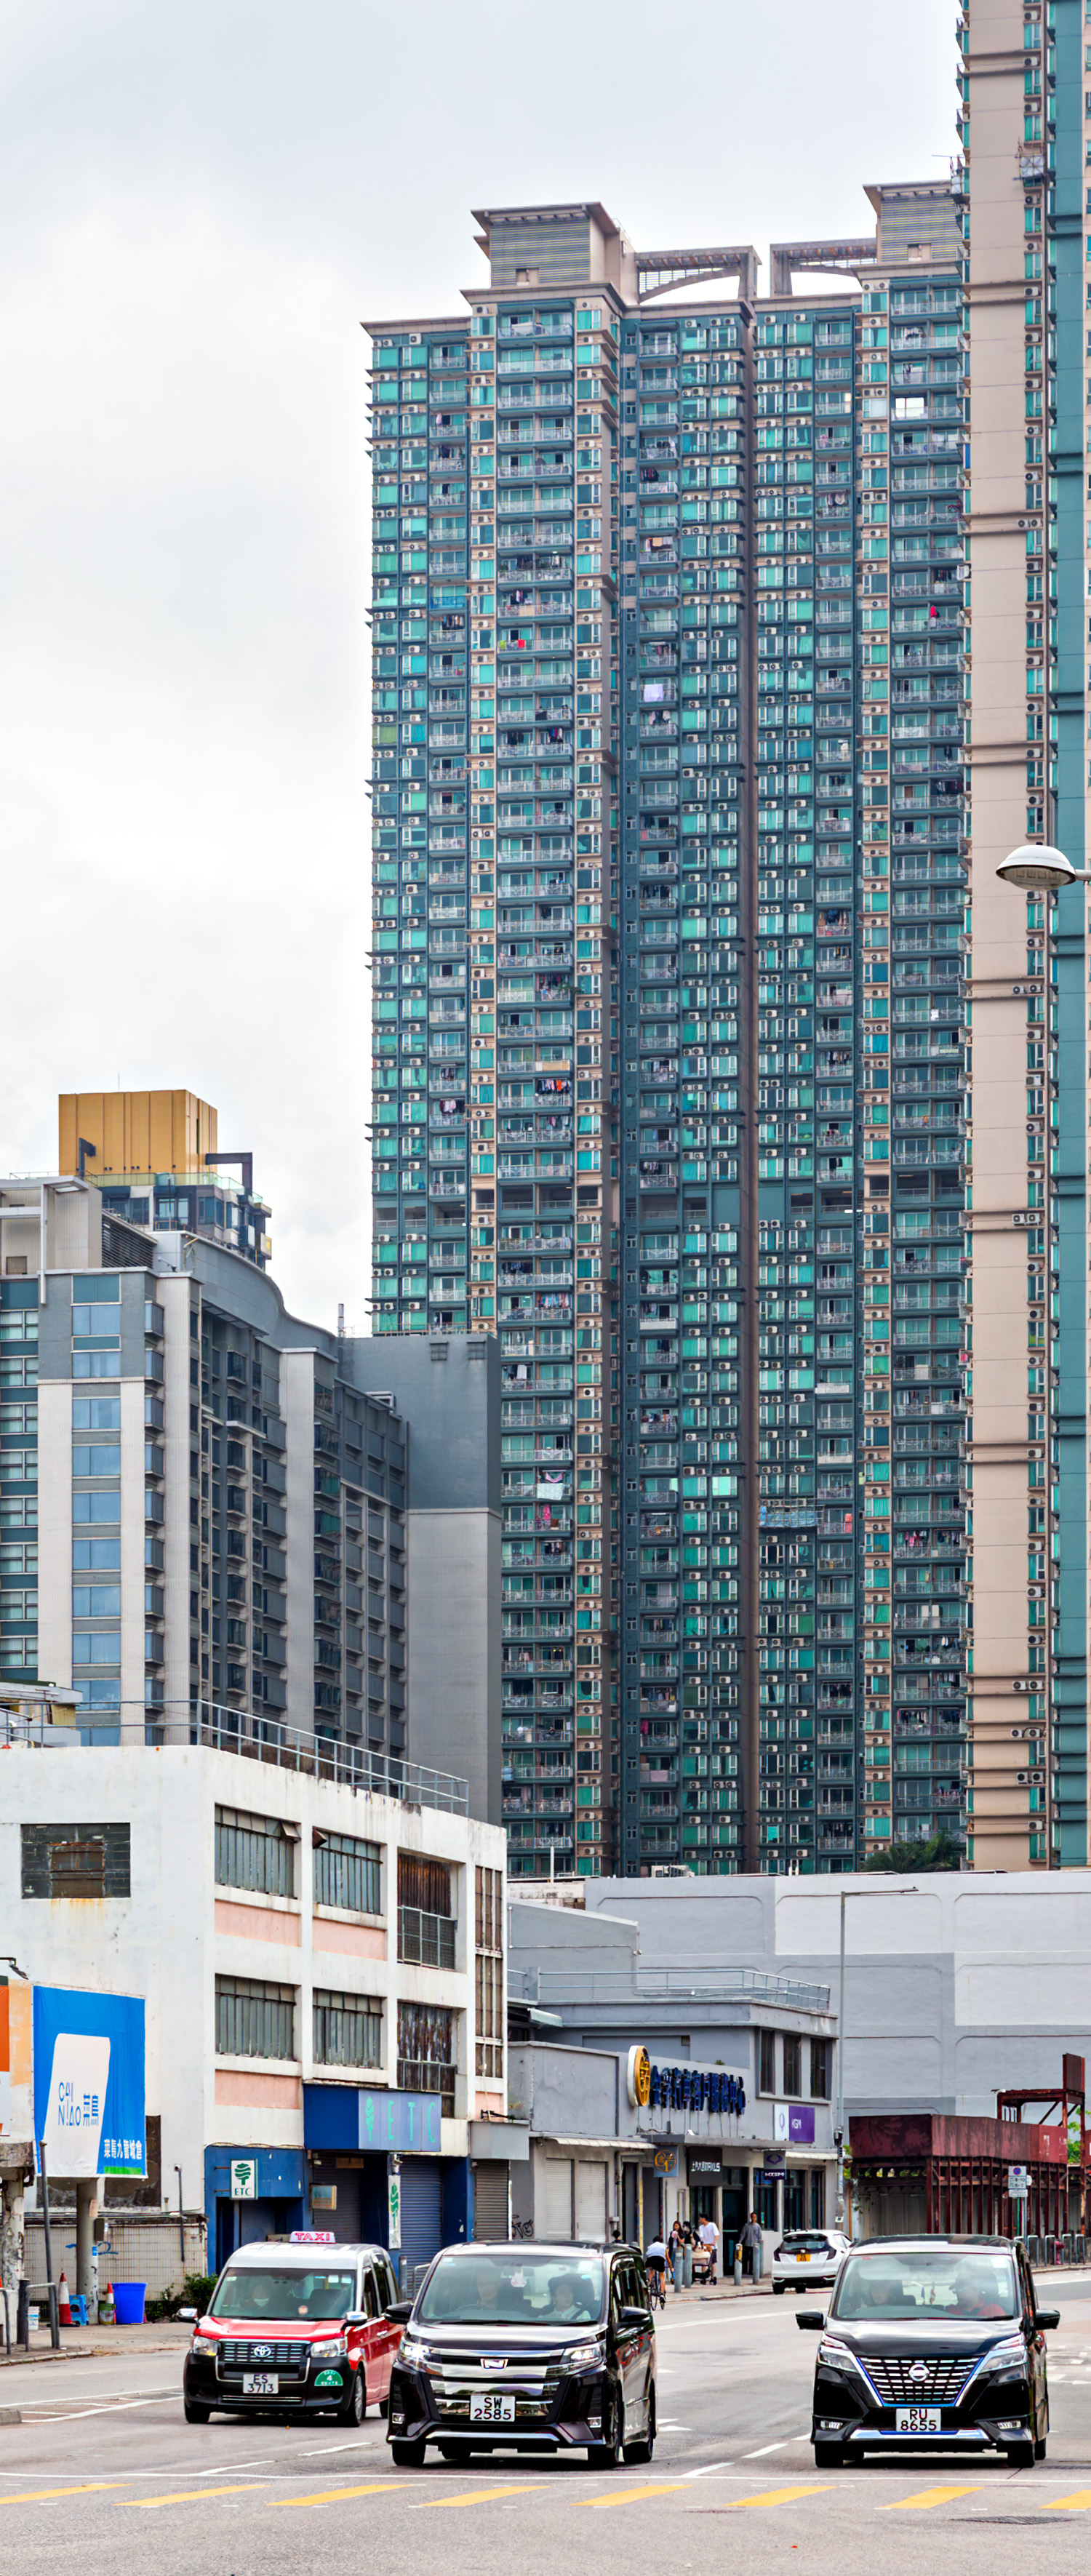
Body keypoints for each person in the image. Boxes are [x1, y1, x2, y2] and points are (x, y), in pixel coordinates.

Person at [698, 2212, 720, 2287]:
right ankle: (703, 2277)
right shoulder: (701, 2227)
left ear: (704, 2219)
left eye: (700, 2218)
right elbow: (701, 2237)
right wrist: (703, 2243)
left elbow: (716, 2234)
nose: (700, 2220)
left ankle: (713, 2277)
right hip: (705, 2247)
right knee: (704, 2262)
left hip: (713, 2247)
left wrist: (714, 2242)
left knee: (712, 2263)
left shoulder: (712, 2225)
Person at [645, 2233, 667, 2305]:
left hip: (650, 2259)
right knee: (661, 2276)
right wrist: (671, 2267)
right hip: (660, 2259)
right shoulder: (664, 2246)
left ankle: (650, 2285)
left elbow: (648, 2254)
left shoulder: (650, 2246)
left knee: (651, 2270)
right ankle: (662, 2294)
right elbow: (668, 2258)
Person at [741, 2209, 762, 2281]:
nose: (754, 2218)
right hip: (747, 2243)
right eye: (753, 2217)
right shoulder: (747, 2226)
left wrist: (759, 2244)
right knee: (746, 2257)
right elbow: (743, 2234)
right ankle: (744, 2270)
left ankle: (751, 2271)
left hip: (754, 2244)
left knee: (753, 2258)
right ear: (751, 2218)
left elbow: (759, 2236)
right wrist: (740, 2242)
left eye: (755, 2217)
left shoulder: (758, 2226)